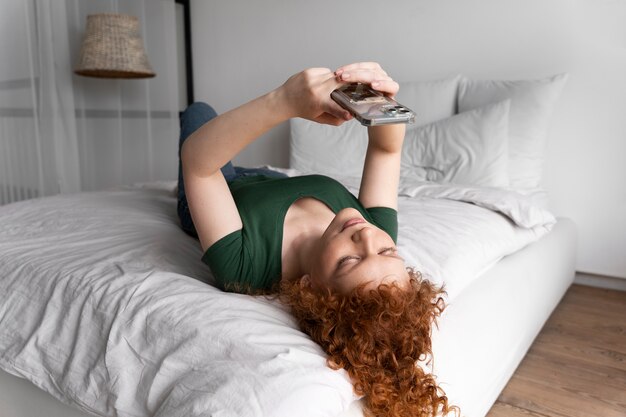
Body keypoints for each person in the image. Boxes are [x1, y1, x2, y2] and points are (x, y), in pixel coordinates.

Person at [178, 62, 458, 417]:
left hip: (218, 186)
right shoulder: (374, 228)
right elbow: (386, 151)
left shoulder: (243, 266)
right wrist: (381, 103)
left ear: (311, 287)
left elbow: (199, 164)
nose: (365, 236)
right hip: (271, 179)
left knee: (199, 113)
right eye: (387, 250)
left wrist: (284, 101)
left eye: (350, 261)